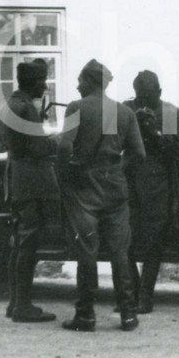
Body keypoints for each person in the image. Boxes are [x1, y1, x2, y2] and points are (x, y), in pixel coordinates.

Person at [57, 59, 146, 332]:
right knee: (120, 252)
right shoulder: (124, 112)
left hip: (85, 187)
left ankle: (85, 316)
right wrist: (118, 167)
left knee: (87, 251)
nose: (77, 85)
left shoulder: (76, 107)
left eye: (80, 80)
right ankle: (128, 314)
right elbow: (139, 154)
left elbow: (63, 147)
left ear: (90, 81)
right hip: (115, 187)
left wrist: (66, 177)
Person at [0, 58, 59, 323]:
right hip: (31, 182)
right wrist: (56, 140)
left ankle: (15, 303)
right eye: (42, 81)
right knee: (28, 243)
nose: (45, 86)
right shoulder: (26, 108)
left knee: (19, 243)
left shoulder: (12, 104)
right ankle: (23, 306)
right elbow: (38, 149)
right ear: (31, 82)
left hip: (18, 180)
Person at [123, 70, 179, 314]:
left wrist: (155, 133)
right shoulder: (126, 110)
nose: (143, 104)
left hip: (158, 184)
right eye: (140, 98)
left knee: (153, 242)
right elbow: (111, 142)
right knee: (123, 241)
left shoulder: (169, 113)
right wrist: (131, 125)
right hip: (128, 181)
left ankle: (145, 297)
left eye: (148, 98)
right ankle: (132, 294)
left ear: (159, 93)